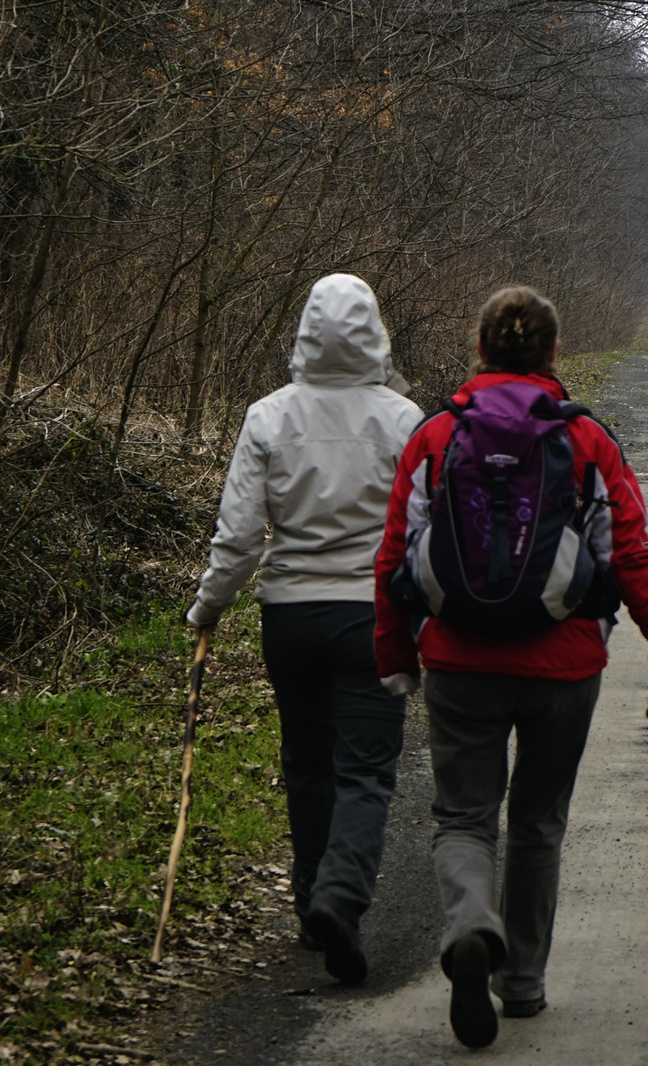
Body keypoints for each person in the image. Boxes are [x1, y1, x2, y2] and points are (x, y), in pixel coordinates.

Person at [373, 286, 648, 1049]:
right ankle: (522, 985)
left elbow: (394, 555)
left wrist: (395, 655)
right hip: (566, 663)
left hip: (458, 660)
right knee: (539, 824)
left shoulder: (437, 435)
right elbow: (631, 553)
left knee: (464, 816)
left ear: (480, 350)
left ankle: (470, 925)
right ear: (554, 353)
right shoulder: (587, 441)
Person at [187, 273, 423, 984]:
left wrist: (207, 607)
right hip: (372, 618)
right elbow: (421, 533)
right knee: (366, 770)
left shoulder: (268, 417)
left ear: (305, 331)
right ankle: (339, 900)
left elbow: (238, 538)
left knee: (308, 761)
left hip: (289, 616)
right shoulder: (403, 419)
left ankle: (312, 900)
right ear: (375, 329)